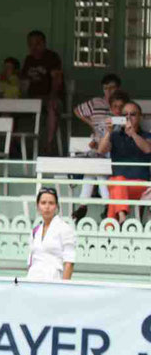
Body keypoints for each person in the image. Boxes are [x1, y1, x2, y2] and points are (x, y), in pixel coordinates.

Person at [71, 78, 124, 222]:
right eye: (106, 88)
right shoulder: (103, 116)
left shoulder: (123, 120)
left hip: (113, 157)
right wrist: (94, 138)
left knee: (95, 170)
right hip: (100, 156)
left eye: (112, 87)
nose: (108, 91)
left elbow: (117, 142)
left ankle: (84, 205)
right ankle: (106, 205)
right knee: (95, 171)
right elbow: (96, 141)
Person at [97, 100, 151, 223]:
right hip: (118, 185)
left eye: (132, 114)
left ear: (140, 117)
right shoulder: (115, 135)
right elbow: (101, 150)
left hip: (140, 185)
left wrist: (132, 133)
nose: (128, 117)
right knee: (117, 183)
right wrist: (108, 132)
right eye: (125, 115)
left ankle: (113, 226)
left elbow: (148, 149)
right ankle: (121, 218)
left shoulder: (146, 135)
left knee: (116, 184)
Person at [21, 30, 64, 155]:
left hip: (49, 98)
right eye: (31, 44)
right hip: (32, 99)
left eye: (37, 44)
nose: (34, 47)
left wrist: (52, 96)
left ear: (44, 44)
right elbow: (23, 81)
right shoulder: (28, 59)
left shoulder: (52, 57)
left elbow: (57, 79)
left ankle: (48, 145)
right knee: (9, 107)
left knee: (52, 106)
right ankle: (13, 144)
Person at [27, 188, 75, 281]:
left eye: (51, 203)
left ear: (56, 206)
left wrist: (63, 287)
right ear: (38, 206)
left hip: (53, 280)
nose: (47, 207)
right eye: (43, 203)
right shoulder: (35, 231)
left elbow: (69, 262)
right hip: (33, 279)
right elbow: (31, 260)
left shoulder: (65, 229)